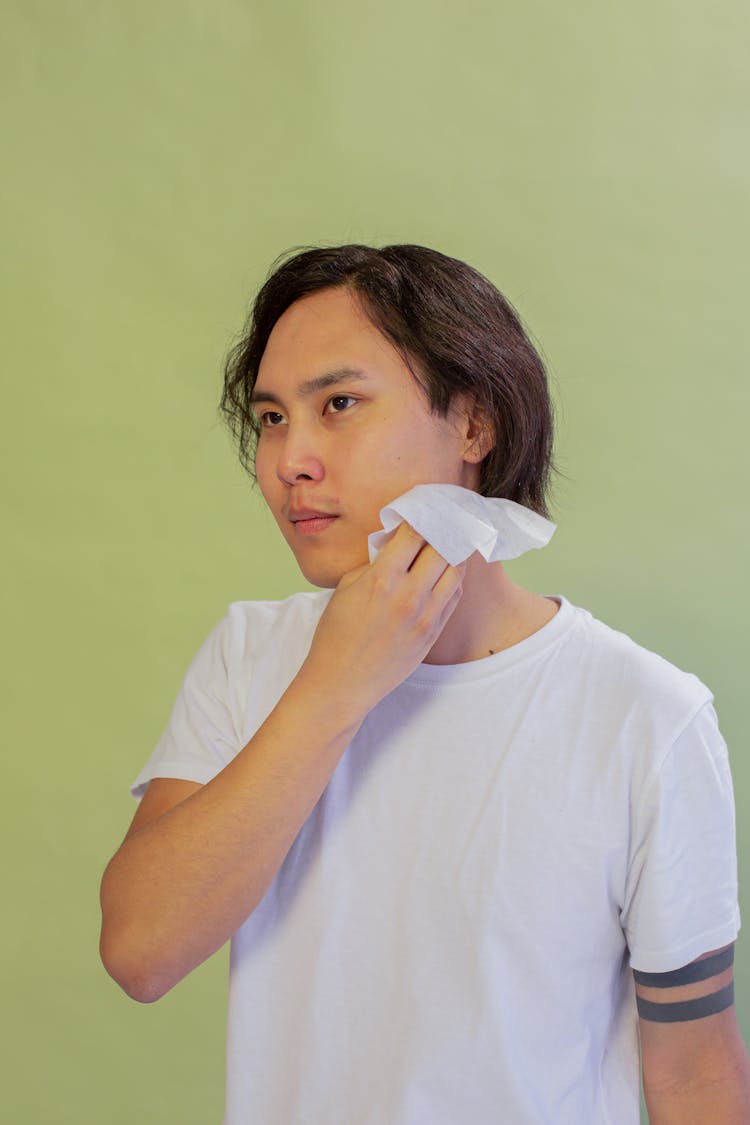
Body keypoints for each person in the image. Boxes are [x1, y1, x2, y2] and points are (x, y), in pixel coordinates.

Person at [100, 244, 749, 1124]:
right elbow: (141, 949)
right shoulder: (250, 655)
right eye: (272, 417)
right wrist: (334, 685)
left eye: (338, 404)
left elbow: (695, 1074)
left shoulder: (646, 717)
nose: (290, 458)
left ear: (474, 426)